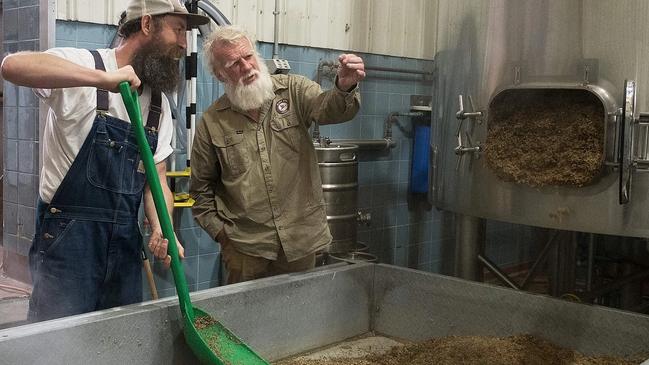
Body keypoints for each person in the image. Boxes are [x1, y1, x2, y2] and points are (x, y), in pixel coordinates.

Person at [0, 0, 209, 322]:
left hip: (125, 243)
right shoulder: (85, 64)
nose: (183, 43)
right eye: (178, 30)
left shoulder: (158, 105)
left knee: (118, 335)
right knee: (57, 338)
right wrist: (99, 79)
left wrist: (161, 229)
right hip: (70, 240)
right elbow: (12, 67)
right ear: (148, 25)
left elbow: (158, 181)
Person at [191, 26, 366, 284]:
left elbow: (331, 109)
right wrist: (223, 236)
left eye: (248, 57)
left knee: (300, 317)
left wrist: (344, 86)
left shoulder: (293, 91)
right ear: (220, 74)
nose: (246, 67)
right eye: (234, 63)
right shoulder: (212, 123)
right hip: (245, 249)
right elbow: (200, 190)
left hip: (300, 243)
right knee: (246, 320)